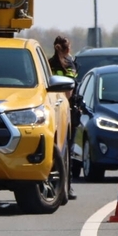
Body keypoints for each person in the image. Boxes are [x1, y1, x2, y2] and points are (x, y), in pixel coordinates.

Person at [49, 36, 79, 200]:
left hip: (48, 109)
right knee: (68, 150)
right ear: (68, 49)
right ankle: (67, 187)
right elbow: (69, 92)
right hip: (65, 111)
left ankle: (52, 184)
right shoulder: (70, 65)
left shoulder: (47, 64)